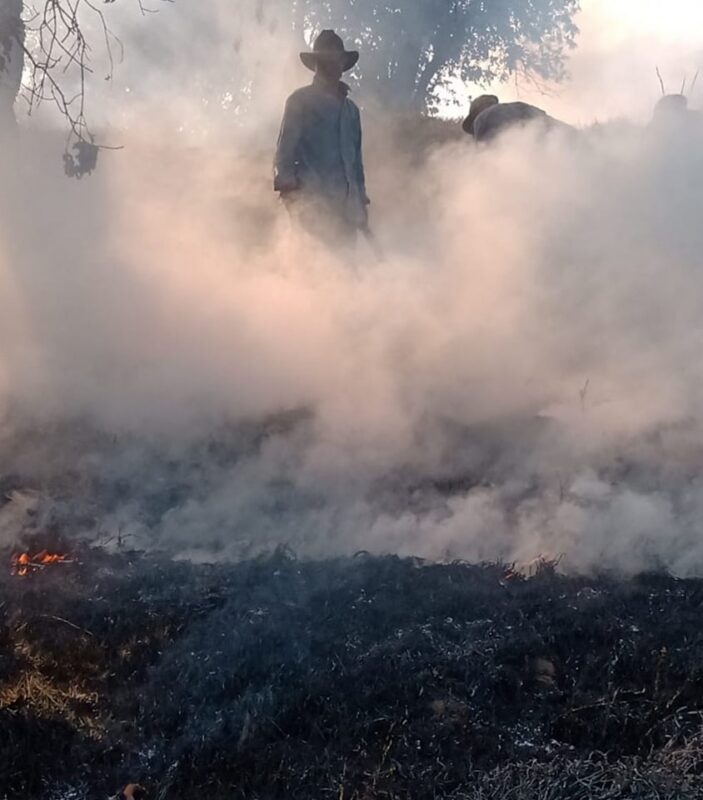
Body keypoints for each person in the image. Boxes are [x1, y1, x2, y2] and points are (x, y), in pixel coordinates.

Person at [274, 30, 369, 248]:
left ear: (343, 63)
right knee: (313, 272)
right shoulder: (300, 101)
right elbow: (284, 154)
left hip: (346, 210)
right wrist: (291, 198)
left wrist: (361, 202)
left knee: (345, 274)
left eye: (336, 59)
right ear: (317, 63)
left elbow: (356, 165)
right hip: (311, 207)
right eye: (327, 59)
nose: (333, 64)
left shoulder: (351, 111)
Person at [463, 95, 566, 143]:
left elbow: (487, 155)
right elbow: (549, 122)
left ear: (476, 113)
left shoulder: (481, 119)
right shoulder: (520, 106)